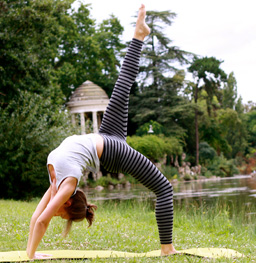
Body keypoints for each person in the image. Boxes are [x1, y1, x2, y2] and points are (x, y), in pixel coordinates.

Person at [26, 5, 177, 259]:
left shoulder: (67, 184)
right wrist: (30, 254)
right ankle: (168, 247)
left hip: (110, 144)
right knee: (164, 187)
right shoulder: (59, 181)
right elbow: (38, 218)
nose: (55, 212)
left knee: (164, 188)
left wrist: (30, 256)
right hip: (105, 143)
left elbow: (39, 219)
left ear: (69, 201)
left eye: (59, 212)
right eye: (60, 213)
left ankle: (139, 35)